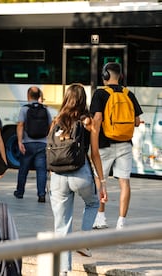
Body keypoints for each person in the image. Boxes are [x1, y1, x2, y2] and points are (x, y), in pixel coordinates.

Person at [49, 83, 108, 274]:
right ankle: (83, 241)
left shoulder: (56, 120)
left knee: (62, 227)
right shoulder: (88, 121)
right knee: (92, 204)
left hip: (57, 176)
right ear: (84, 100)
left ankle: (63, 271)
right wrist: (102, 181)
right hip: (80, 173)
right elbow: (95, 154)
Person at [90, 62, 143, 230]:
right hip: (125, 144)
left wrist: (94, 140)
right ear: (120, 76)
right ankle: (121, 222)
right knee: (124, 182)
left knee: (100, 180)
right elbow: (135, 122)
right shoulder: (129, 94)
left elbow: (97, 119)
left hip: (105, 144)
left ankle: (100, 217)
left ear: (105, 75)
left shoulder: (100, 93)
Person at [14, 86, 52, 202]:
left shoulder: (24, 109)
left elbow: (20, 125)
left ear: (28, 96)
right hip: (42, 143)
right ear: (39, 96)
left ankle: (20, 192)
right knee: (41, 170)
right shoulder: (45, 109)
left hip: (27, 143)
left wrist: (20, 142)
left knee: (23, 169)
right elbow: (51, 125)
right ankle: (41, 194)